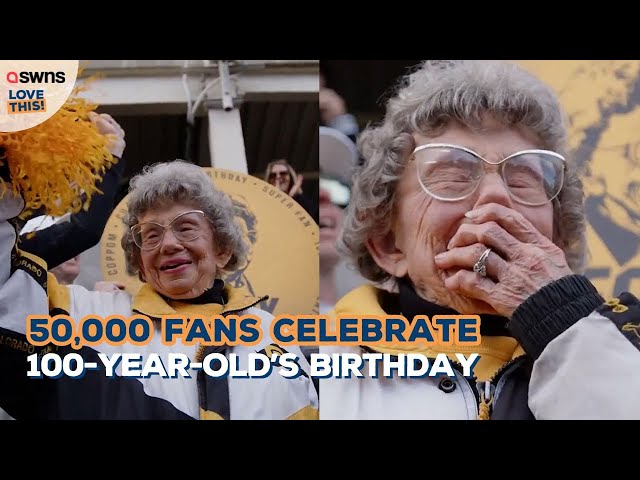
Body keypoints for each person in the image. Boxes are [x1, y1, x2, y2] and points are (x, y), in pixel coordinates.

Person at [320, 60, 640, 420]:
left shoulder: (629, 353)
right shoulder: (313, 373)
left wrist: (564, 321)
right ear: (389, 246)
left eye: (523, 179)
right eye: (454, 175)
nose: (496, 195)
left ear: (557, 239)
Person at [0, 160, 318, 420]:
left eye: (186, 227)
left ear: (222, 249)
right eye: (150, 236)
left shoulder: (276, 338)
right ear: (139, 263)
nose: (168, 244)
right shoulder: (83, 315)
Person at [264, 159, 318, 223]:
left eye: (283, 173)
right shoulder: (264, 204)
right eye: (273, 175)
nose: (278, 177)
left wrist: (292, 198)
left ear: (290, 177)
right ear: (268, 180)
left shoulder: (303, 202)